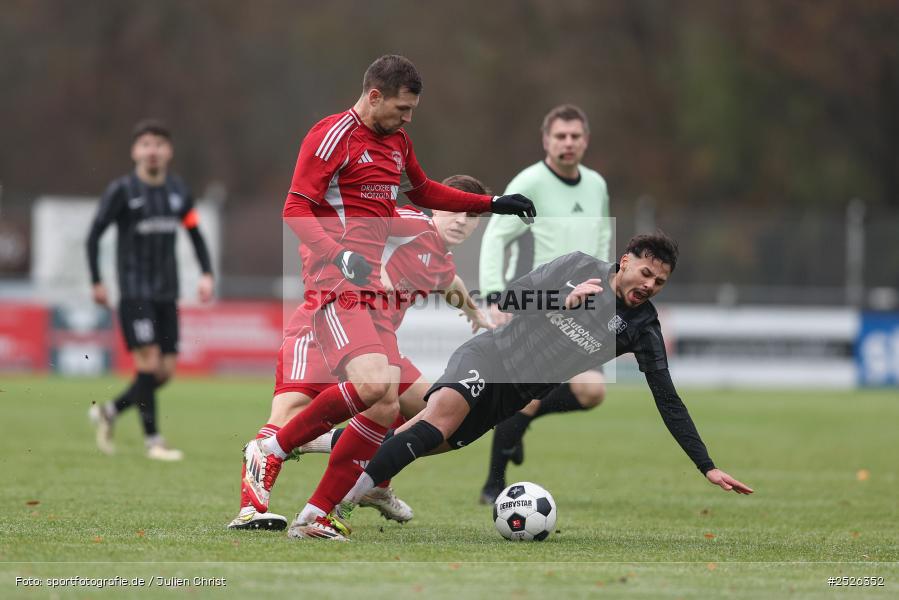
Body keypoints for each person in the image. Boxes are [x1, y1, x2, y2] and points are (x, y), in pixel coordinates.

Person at [240, 54, 535, 536]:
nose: (408, 118)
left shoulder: (397, 142)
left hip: (368, 297)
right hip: (334, 284)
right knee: (376, 387)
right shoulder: (332, 135)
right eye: (402, 108)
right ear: (374, 96)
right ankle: (270, 449)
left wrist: (492, 203)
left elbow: (425, 191)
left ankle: (315, 515)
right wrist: (339, 255)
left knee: (383, 406)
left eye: (412, 109)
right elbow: (295, 207)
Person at [332, 232, 753, 541]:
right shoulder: (578, 266)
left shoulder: (643, 327)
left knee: (424, 440)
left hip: (515, 396)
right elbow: (509, 299)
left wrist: (706, 465)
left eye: (659, 283)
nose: (649, 286)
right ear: (625, 262)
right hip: (489, 356)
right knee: (439, 420)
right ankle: (334, 506)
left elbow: (667, 398)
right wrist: (560, 301)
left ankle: (328, 445)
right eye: (646, 273)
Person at [227, 175, 492, 531]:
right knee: (287, 415)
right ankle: (250, 510)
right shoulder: (412, 224)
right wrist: (373, 266)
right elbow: (355, 226)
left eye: (471, 215)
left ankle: (374, 483)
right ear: (436, 208)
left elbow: (449, 282)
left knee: (432, 411)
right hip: (322, 325)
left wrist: (476, 314)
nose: (461, 220)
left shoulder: (439, 259)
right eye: (454, 209)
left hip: (375, 344)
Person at [477, 104, 613, 502]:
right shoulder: (530, 182)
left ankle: (521, 422)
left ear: (585, 140)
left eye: (575, 136)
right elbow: (495, 237)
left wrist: (607, 291)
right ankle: (493, 485)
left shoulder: (596, 185)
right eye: (560, 136)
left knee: (591, 392)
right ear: (546, 140)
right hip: (537, 303)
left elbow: (603, 242)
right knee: (529, 393)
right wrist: (495, 295)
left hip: (583, 308)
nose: (568, 143)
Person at [86, 119, 214, 461]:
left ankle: (110, 411)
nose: (152, 150)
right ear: (135, 151)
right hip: (134, 292)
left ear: (169, 151)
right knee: (149, 362)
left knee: (164, 372)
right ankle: (154, 441)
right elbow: (94, 235)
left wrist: (206, 273)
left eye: (158, 144)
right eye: (145, 144)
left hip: (166, 293)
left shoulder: (178, 192)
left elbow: (194, 232)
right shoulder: (122, 191)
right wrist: (96, 280)